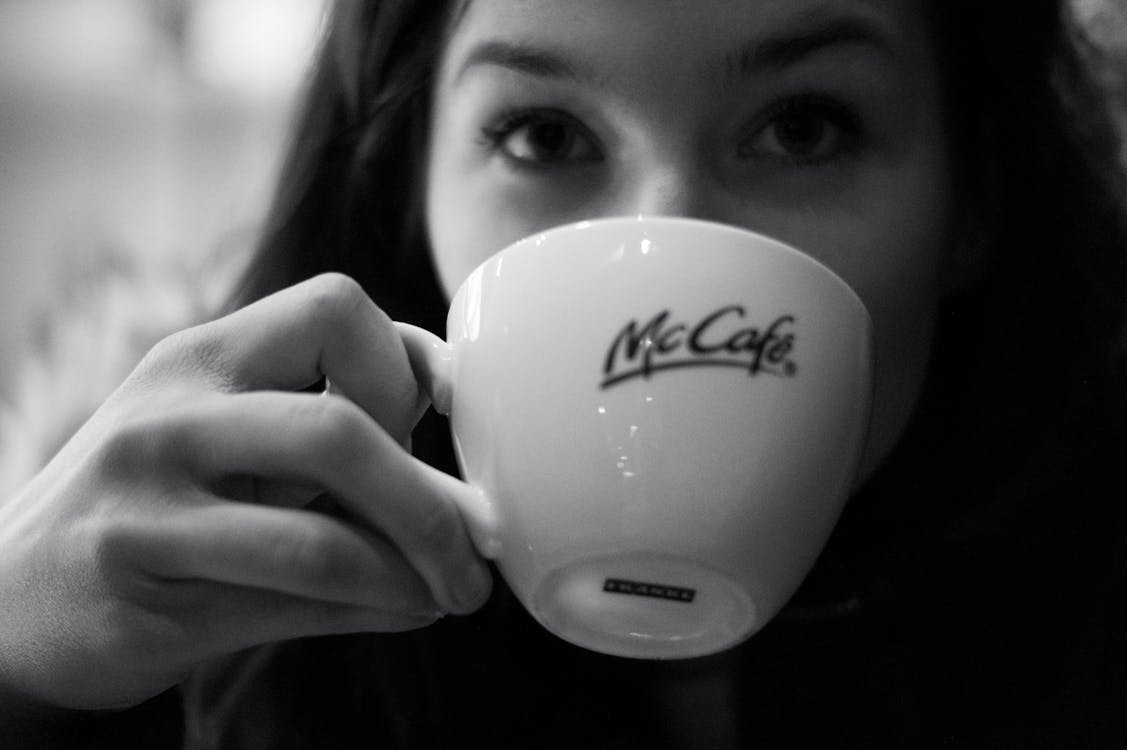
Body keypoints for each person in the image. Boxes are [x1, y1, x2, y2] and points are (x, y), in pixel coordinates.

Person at [2, 0, 1126, 747]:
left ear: (972, 193)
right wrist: (22, 679)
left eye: (800, 127)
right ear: (408, 190)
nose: (662, 251)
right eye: (542, 135)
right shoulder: (231, 639)